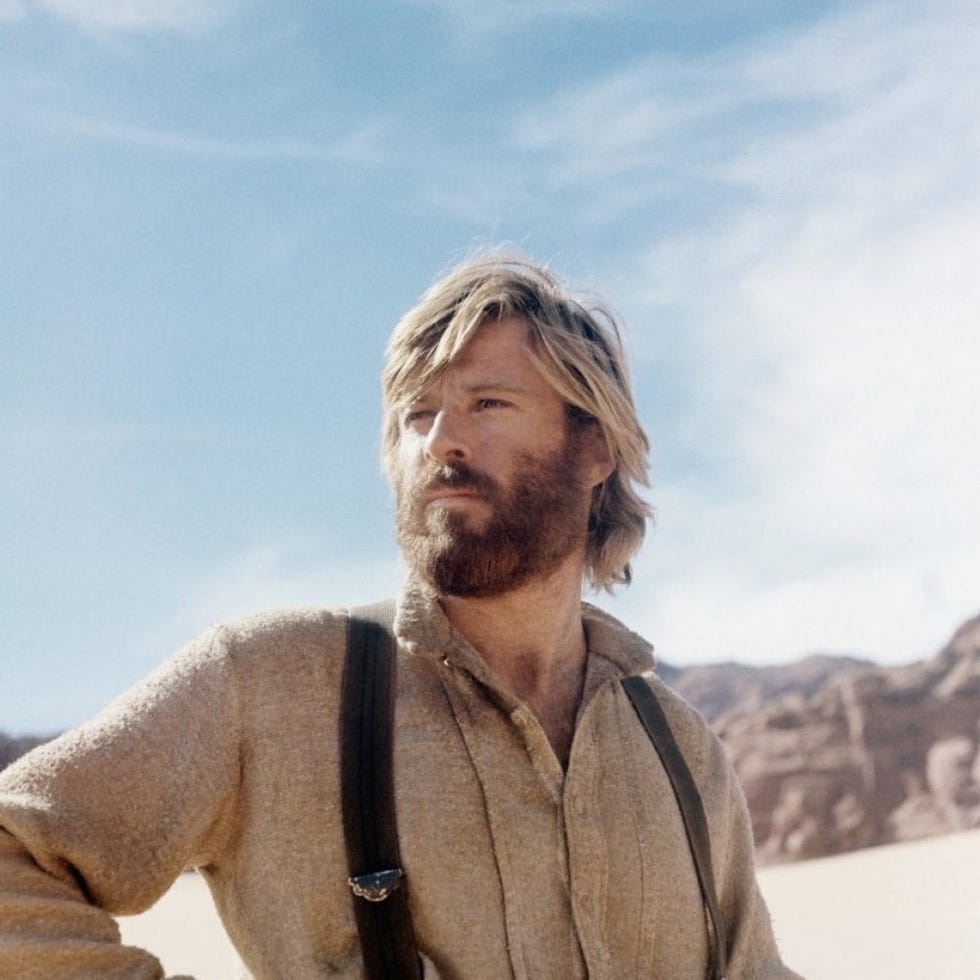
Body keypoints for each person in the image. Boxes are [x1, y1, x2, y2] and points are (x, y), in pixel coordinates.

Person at [0, 254, 799, 978]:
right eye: (417, 415)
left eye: (487, 403)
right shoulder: (273, 683)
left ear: (595, 450)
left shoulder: (680, 750)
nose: (441, 440)